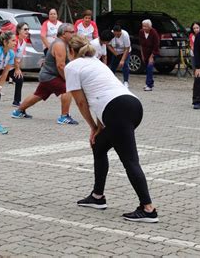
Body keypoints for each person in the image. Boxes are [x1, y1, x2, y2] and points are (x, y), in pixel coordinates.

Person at [65, 35, 158, 223]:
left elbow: (82, 102)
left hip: (118, 111)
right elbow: (102, 98)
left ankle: (148, 208)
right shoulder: (97, 62)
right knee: (99, 145)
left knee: (130, 160)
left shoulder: (72, 67)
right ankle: (97, 196)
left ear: (72, 51)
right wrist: (99, 128)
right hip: (132, 105)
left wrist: (92, 126)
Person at [12, 23, 78, 125]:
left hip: (47, 75)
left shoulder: (64, 44)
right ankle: (64, 117)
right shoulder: (59, 44)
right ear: (64, 33)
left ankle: (18, 111)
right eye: (72, 32)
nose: (74, 34)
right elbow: (60, 65)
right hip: (50, 76)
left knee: (37, 95)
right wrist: (67, 79)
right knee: (67, 89)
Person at [9, 22, 29, 107]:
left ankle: (16, 101)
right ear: (18, 30)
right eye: (25, 29)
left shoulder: (24, 41)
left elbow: (19, 58)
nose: (27, 31)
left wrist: (18, 68)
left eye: (28, 29)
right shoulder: (15, 40)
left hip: (11, 66)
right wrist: (17, 69)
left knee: (19, 79)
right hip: (4, 65)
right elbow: (13, 56)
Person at [139, 19, 160, 91]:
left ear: (150, 27)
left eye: (146, 26)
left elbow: (156, 46)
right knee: (147, 68)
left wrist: (151, 57)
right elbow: (141, 44)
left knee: (149, 66)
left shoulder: (154, 33)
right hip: (145, 53)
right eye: (143, 26)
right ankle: (150, 82)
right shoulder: (141, 32)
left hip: (153, 53)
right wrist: (142, 55)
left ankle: (149, 85)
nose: (144, 28)